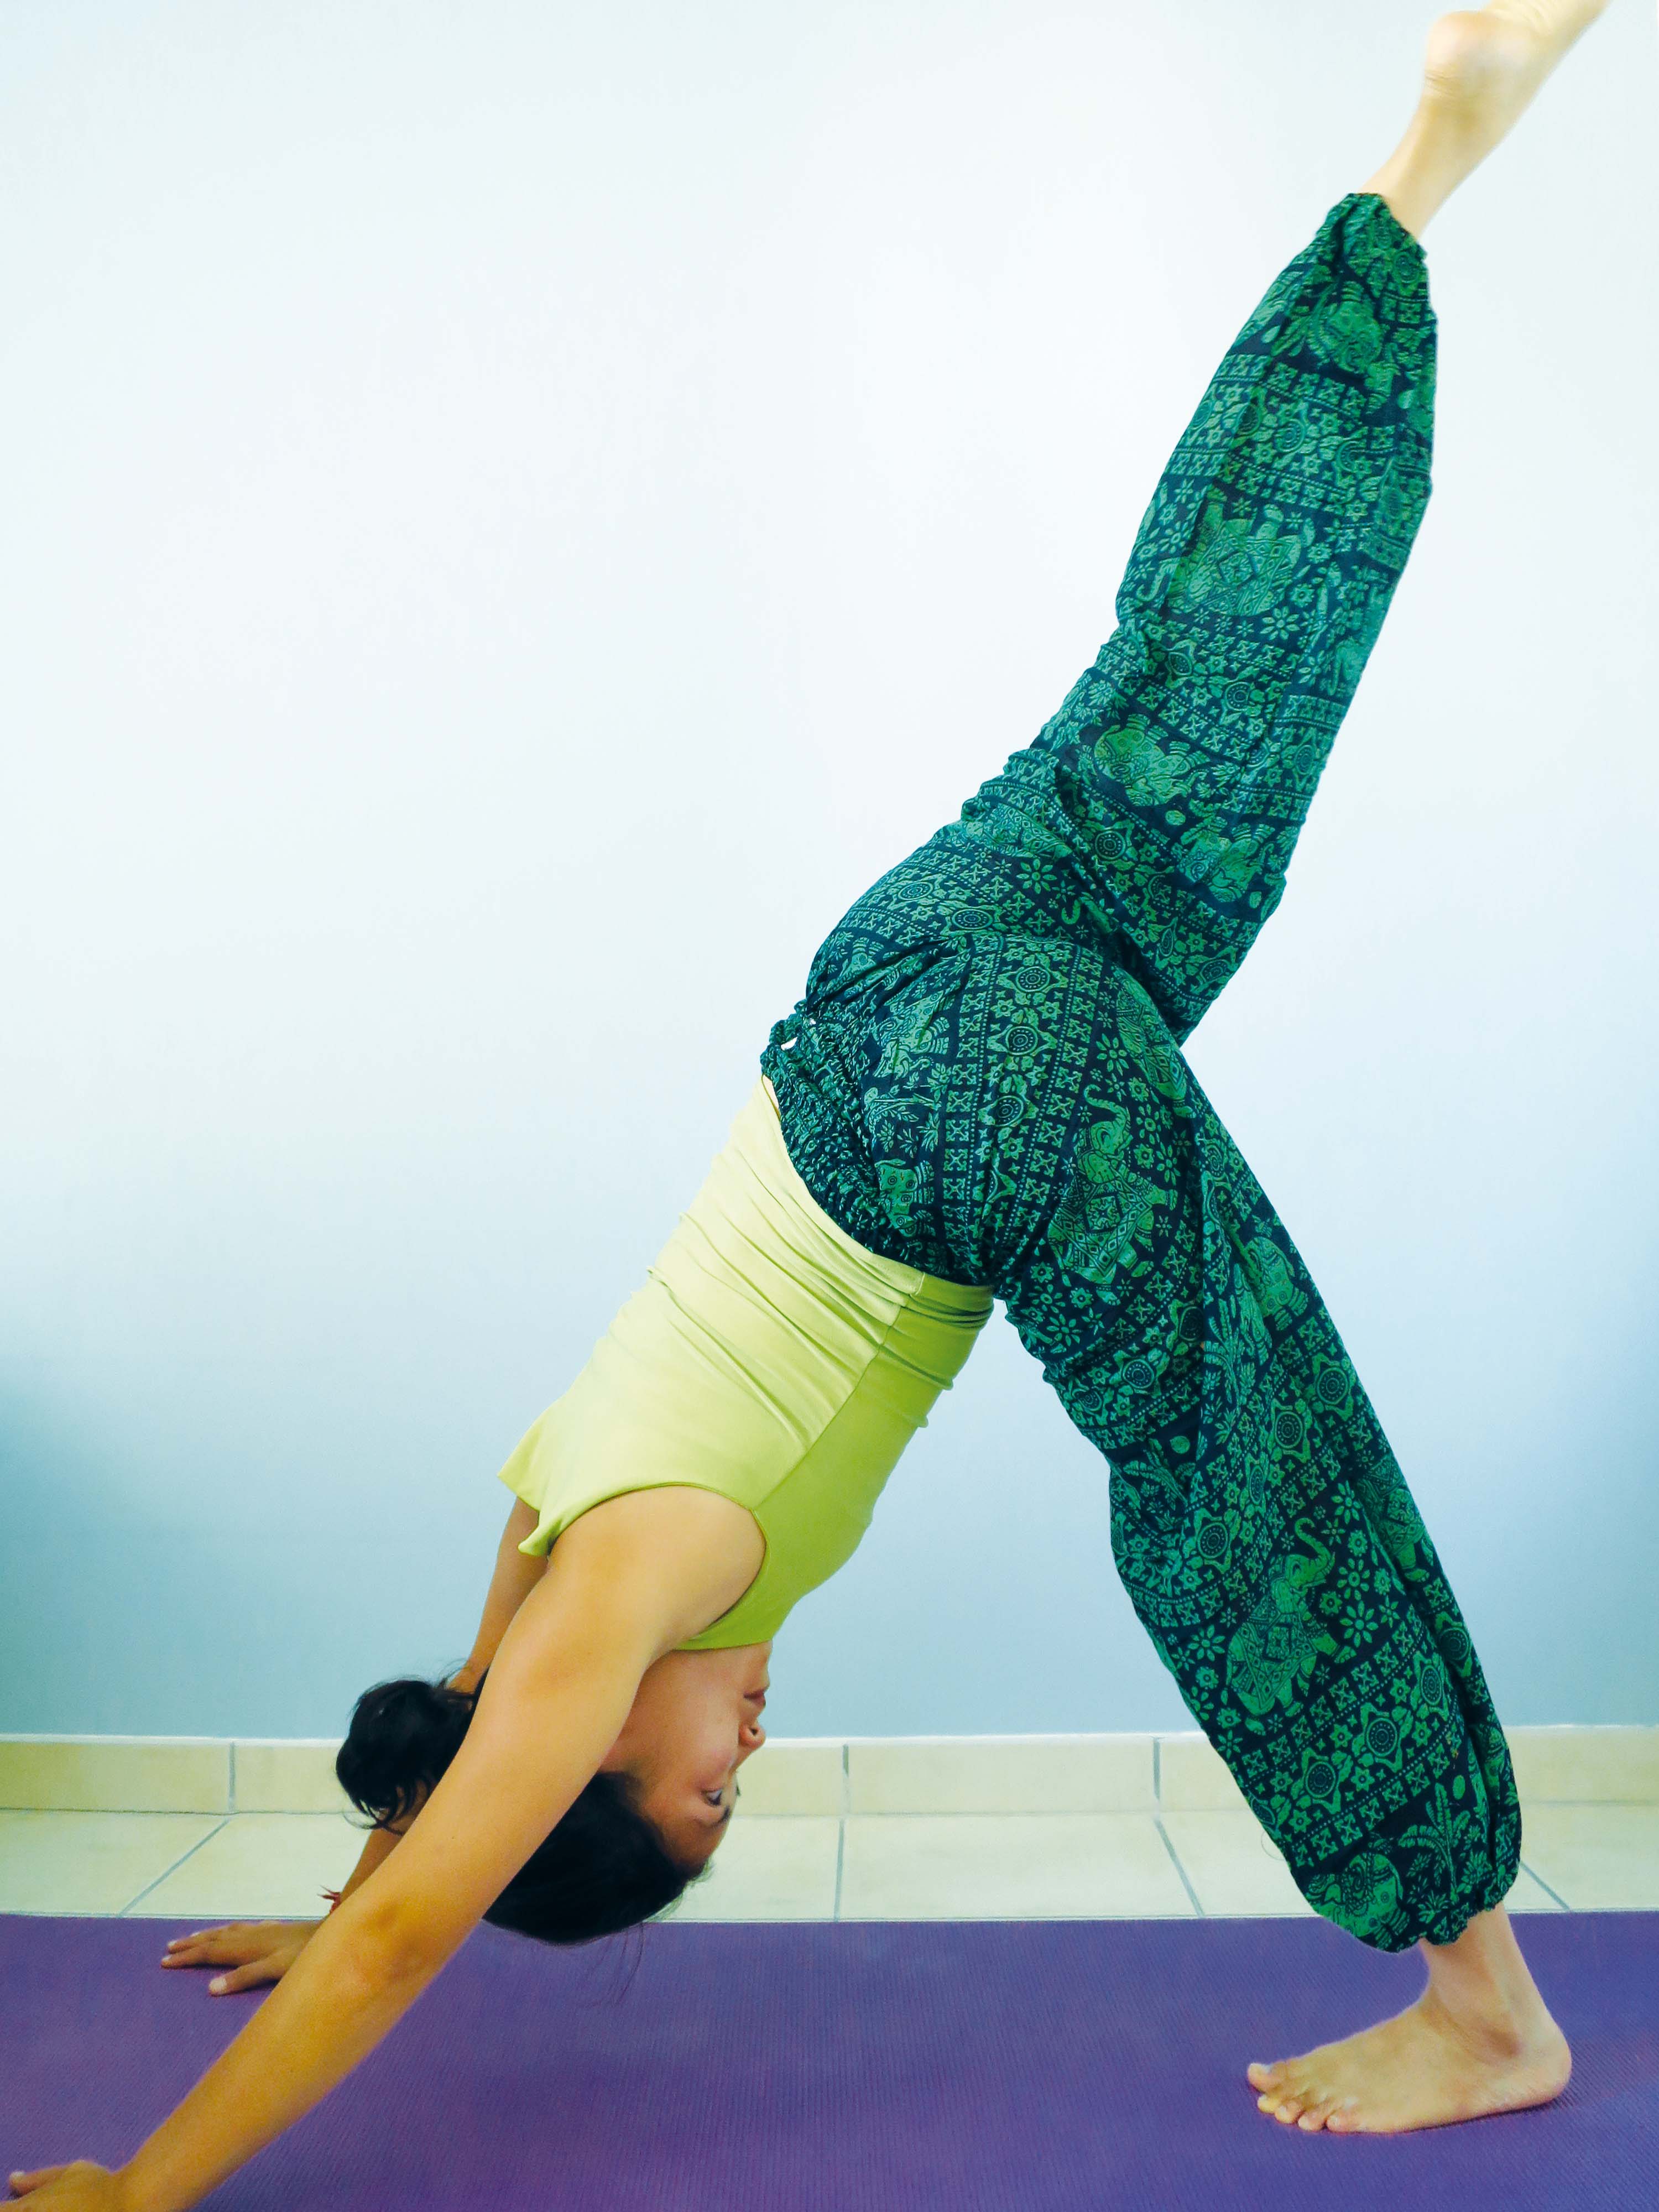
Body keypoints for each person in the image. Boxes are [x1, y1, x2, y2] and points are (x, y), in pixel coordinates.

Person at [9, 4, 1620, 2200]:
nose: (748, 1748)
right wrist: (343, 1888)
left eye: (703, 1790)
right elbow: (449, 1789)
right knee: (1190, 692)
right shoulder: (549, 1524)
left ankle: (1486, 2002)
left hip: (963, 1115)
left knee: (1244, 1475)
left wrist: (146, 2185)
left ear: (593, 1746)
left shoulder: (622, 1601)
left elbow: (410, 1929)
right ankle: (1408, 192)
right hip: (901, 967)